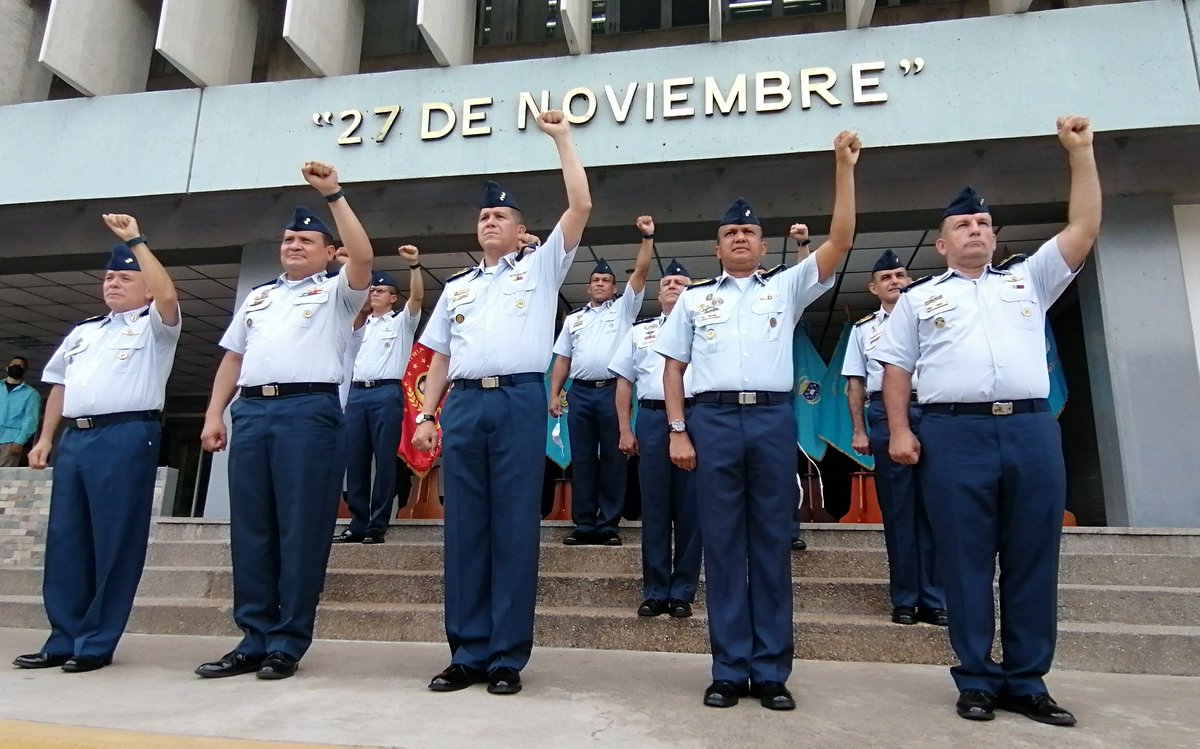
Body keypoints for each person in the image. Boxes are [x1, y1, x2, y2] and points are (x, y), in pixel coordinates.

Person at [873, 116, 1099, 727]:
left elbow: (1083, 227)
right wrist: (899, 430)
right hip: (953, 433)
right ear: (942, 243)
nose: (974, 231)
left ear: (994, 236)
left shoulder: (1030, 279)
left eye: (982, 224)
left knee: (1032, 555)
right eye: (960, 226)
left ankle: (1027, 680)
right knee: (964, 558)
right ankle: (975, 677)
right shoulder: (919, 297)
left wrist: (1080, 154)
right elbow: (895, 367)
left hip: (1029, 430)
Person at [655, 131, 861, 711]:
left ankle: (770, 669)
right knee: (721, 545)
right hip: (712, 422)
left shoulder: (787, 288)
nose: (738, 237)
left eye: (747, 231)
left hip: (772, 422)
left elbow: (841, 240)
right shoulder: (695, 299)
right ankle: (727, 668)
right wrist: (677, 430)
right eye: (728, 233)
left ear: (763, 245)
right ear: (717, 249)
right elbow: (673, 369)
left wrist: (842, 169)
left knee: (770, 542)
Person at [412, 110, 590, 697]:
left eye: (502, 215)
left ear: (521, 232)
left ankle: (507, 655)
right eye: (484, 216)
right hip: (463, 406)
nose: (490, 221)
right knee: (464, 528)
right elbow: (439, 355)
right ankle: (466, 650)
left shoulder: (539, 270)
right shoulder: (457, 287)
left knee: (513, 528)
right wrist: (425, 415)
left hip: (517, 401)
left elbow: (581, 207)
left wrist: (562, 140)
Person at [196, 161, 373, 681]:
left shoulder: (339, 292)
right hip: (252, 411)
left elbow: (363, 256)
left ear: (327, 251)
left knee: (301, 530)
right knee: (252, 529)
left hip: (308, 413)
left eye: (305, 240)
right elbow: (233, 357)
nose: (293, 245)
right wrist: (214, 413)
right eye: (288, 239)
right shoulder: (259, 297)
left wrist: (334, 195)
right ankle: (253, 637)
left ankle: (288, 640)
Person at [13, 215, 180, 673]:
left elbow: (168, 295)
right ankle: (62, 637)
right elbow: (59, 386)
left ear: (146, 287)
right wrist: (45, 438)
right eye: (109, 276)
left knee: (115, 540)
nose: (113, 283)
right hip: (77, 438)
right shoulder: (84, 331)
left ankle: (96, 641)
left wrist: (136, 242)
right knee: (67, 539)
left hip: (126, 434)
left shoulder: (155, 325)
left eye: (125, 277)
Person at [842, 249, 946, 627]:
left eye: (901, 275)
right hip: (884, 414)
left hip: (934, 412)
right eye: (886, 278)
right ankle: (904, 598)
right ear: (873, 287)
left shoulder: (933, 317)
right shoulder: (863, 330)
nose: (895, 281)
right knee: (899, 510)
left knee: (936, 508)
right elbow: (855, 384)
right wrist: (858, 430)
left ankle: (935, 598)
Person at [550, 218, 653, 546]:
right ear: (588, 286)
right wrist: (554, 393)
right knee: (581, 459)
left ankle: (608, 523)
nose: (599, 284)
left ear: (613, 288)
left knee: (612, 459)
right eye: (595, 279)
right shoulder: (574, 319)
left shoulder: (624, 310)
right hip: (579, 395)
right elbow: (562, 359)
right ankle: (584, 523)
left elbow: (640, 273)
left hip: (612, 393)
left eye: (606, 280)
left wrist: (647, 238)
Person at [610, 253, 700, 619]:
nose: (672, 287)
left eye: (680, 283)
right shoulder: (640, 331)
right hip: (650, 418)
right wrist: (624, 428)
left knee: (691, 509)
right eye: (667, 284)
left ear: (691, 292)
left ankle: (682, 591)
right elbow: (623, 381)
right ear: (659, 294)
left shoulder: (706, 327)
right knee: (656, 509)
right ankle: (655, 589)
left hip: (695, 418)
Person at [333, 246, 424, 544]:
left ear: (393, 297)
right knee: (355, 460)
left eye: (381, 291)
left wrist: (414, 267)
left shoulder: (400, 323)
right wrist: (349, 264)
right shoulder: (360, 322)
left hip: (386, 393)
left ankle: (377, 524)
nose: (374, 294)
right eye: (372, 290)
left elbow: (418, 299)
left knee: (385, 461)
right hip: (358, 395)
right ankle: (357, 522)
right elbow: (352, 298)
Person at [0, 356, 41, 467]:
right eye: (14, 365)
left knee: (4, 478)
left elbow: (30, 419)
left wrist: (20, 441)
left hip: (11, 441)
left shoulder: (31, 394)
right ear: (7, 368)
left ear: (24, 371)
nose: (16, 367)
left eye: (20, 366)